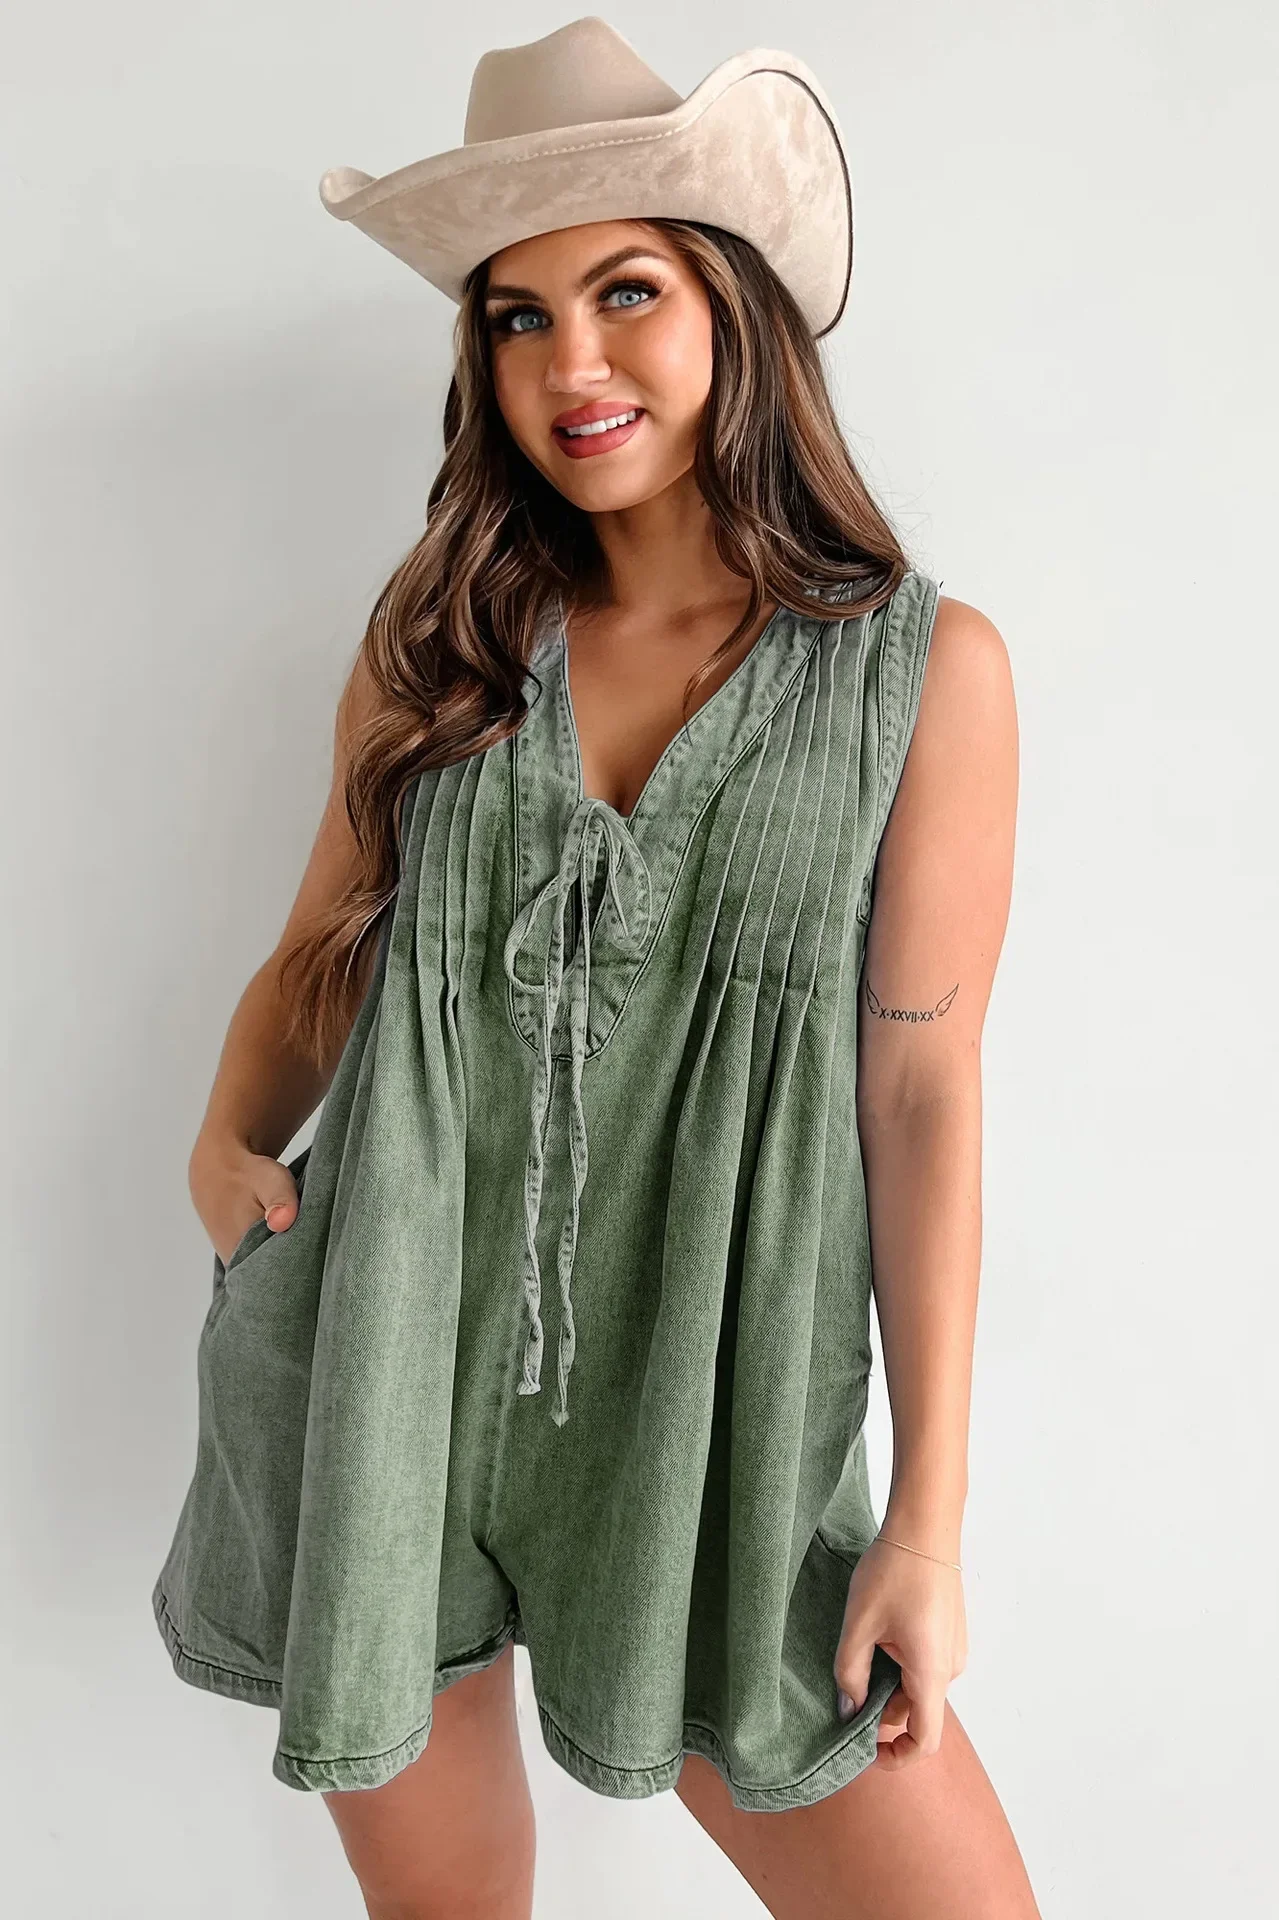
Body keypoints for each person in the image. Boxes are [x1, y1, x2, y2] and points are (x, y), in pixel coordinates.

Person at [151, 18, 1038, 1918]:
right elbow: (323, 951)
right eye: (516, 316)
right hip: (380, 1362)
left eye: (625, 290)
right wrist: (224, 1145)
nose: (571, 365)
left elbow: (917, 1092)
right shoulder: (443, 639)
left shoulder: (920, 674)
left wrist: (926, 1523)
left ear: (729, 303)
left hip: (713, 1401)